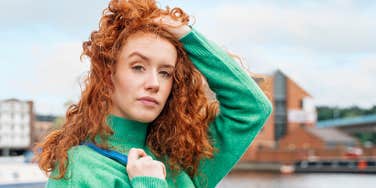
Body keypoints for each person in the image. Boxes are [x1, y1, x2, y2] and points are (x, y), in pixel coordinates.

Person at [34, 0, 273, 187]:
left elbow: (251, 107)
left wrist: (186, 36)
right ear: (109, 76)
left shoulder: (181, 161)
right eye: (138, 67)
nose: (154, 83)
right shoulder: (80, 170)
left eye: (166, 73)